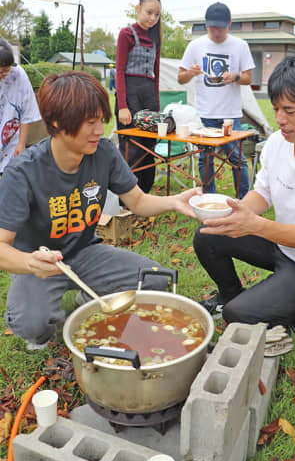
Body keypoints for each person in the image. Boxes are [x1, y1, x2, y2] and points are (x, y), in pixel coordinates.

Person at [0, 71, 200, 350]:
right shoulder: (23, 172)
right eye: (90, 123)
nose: (99, 131)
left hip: (86, 252)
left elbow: (138, 201)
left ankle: (88, 298)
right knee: (31, 324)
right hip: (42, 262)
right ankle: (41, 317)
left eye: (100, 121)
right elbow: (1, 247)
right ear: (57, 122)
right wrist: (30, 263)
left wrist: (175, 201)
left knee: (155, 280)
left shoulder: (103, 152)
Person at [193, 54, 295, 334]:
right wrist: (238, 213)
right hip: (282, 246)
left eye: (290, 111)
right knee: (208, 235)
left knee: (239, 317)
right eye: (276, 109)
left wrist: (256, 225)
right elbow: (262, 193)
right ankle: (231, 295)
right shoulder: (278, 143)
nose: (280, 120)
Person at [178, 2, 255, 198]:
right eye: (212, 27)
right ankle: (208, 197)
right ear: (206, 25)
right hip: (204, 113)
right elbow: (181, 78)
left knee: (237, 160)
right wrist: (191, 72)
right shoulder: (195, 46)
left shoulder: (240, 45)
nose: (216, 32)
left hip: (230, 114)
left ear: (229, 24)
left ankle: (244, 200)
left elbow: (248, 79)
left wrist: (235, 77)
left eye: (220, 27)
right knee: (205, 159)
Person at [115, 0, 161, 194]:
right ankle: (126, 196)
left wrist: (157, 106)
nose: (153, 18)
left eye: (157, 15)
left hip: (149, 96)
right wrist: (123, 106)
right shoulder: (126, 34)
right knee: (131, 147)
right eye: (149, 12)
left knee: (149, 145)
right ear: (138, 9)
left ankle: (145, 193)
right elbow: (119, 71)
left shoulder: (155, 38)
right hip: (130, 95)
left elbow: (156, 74)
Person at [0, 38, 41, 174]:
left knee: (11, 176)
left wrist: (21, 144)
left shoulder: (18, 75)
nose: (2, 74)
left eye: (5, 70)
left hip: (10, 138)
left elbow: (27, 111)